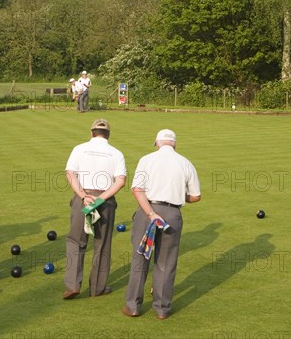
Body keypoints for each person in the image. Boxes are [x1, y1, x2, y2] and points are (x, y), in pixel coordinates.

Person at [123, 129, 201, 320]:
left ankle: (133, 306)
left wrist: (150, 213)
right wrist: (173, 195)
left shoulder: (146, 159)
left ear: (157, 143)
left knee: (140, 258)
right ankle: (162, 309)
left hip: (146, 211)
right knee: (166, 263)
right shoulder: (186, 163)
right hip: (172, 214)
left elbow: (137, 189)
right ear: (174, 143)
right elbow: (195, 196)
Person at [63, 119, 126, 299]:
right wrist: (99, 199)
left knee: (76, 241)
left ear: (91, 133)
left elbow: (70, 174)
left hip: (82, 199)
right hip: (105, 201)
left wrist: (83, 196)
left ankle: (73, 285)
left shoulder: (79, 148)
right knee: (102, 244)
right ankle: (97, 288)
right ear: (108, 135)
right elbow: (120, 181)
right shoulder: (116, 153)